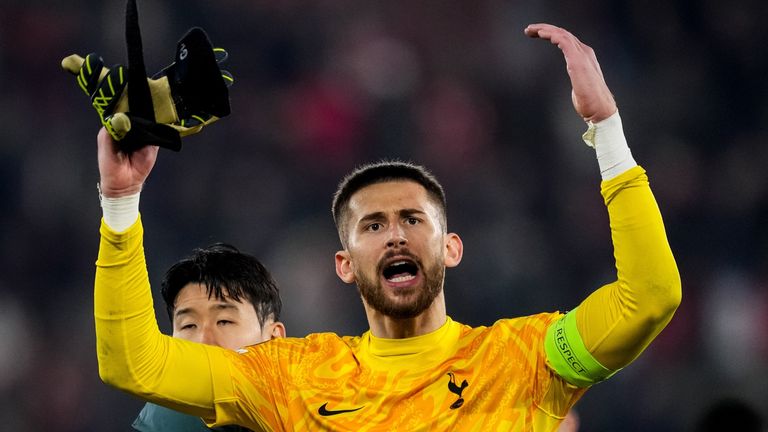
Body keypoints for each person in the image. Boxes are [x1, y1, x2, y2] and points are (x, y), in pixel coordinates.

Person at [93, 23, 681, 430]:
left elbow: (650, 299)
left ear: (450, 247)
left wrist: (607, 130)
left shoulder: (525, 360)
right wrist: (121, 201)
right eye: (372, 225)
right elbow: (133, 363)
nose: (395, 234)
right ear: (344, 264)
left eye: (412, 219)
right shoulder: (290, 379)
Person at [129, 243, 285, 432]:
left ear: (274, 339)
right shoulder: (162, 423)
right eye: (188, 325)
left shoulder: (315, 405)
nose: (203, 341)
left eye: (224, 321)